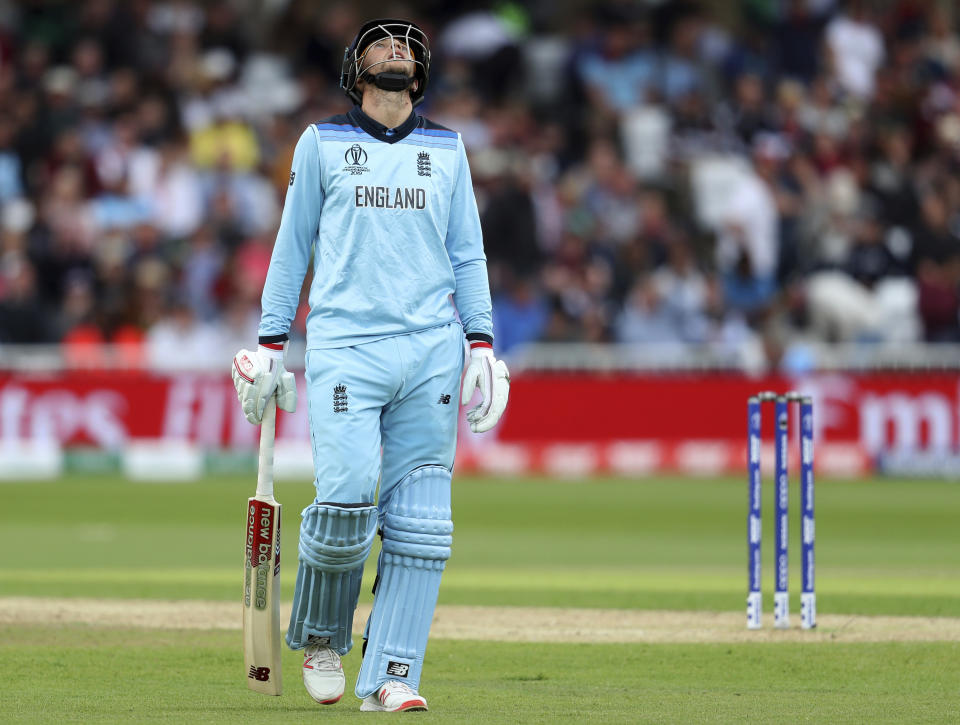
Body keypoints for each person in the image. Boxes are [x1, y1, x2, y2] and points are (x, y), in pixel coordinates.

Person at [230, 18, 510, 712]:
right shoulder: (323, 141)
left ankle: (392, 673)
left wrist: (481, 341)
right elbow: (293, 245)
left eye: (406, 45)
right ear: (356, 69)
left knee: (422, 526)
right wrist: (270, 345)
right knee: (349, 497)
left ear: (421, 71)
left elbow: (467, 251)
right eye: (382, 44)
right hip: (347, 345)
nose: (396, 50)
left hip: (430, 350)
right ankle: (323, 636)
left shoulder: (447, 149)